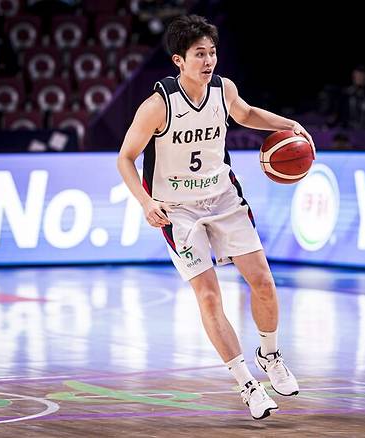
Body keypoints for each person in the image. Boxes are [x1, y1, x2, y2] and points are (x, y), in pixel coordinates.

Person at [117, 14, 314, 420]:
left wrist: (289, 124)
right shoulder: (158, 106)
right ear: (178, 60)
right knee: (208, 296)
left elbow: (246, 114)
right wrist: (146, 202)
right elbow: (125, 159)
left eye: (212, 53)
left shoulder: (224, 90)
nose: (208, 61)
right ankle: (246, 383)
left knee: (263, 282)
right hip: (178, 211)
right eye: (199, 54)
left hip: (223, 199)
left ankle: (269, 354)